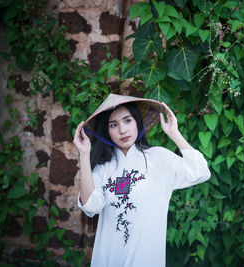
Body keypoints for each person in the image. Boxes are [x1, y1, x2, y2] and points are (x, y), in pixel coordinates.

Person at [73, 93, 210, 266]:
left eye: (127, 121)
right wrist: (84, 155)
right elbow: (90, 207)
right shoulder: (103, 169)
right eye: (113, 125)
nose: (122, 130)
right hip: (109, 259)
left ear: (137, 122)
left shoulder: (159, 158)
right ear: (107, 132)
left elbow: (200, 172)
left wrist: (174, 134)